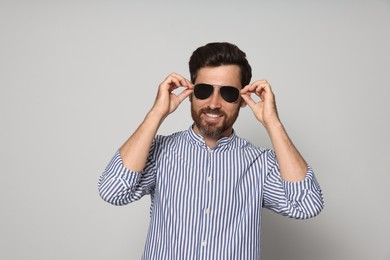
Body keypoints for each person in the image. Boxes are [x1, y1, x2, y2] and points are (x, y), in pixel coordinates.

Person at [98, 42, 324, 260]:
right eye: (204, 90)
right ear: (191, 92)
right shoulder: (158, 151)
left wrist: (272, 123)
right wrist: (157, 113)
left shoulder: (261, 163)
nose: (214, 103)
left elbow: (306, 205)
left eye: (228, 93)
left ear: (243, 100)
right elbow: (112, 191)